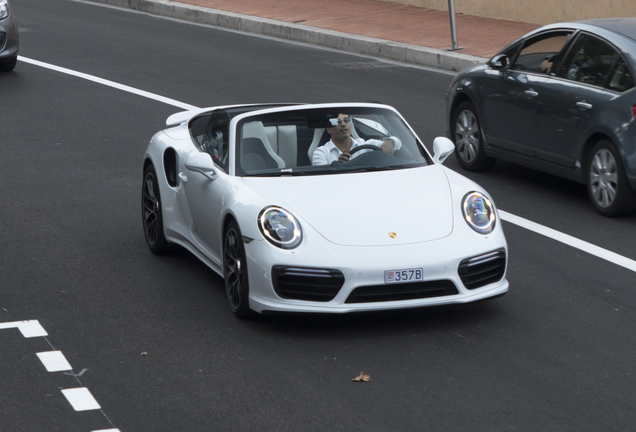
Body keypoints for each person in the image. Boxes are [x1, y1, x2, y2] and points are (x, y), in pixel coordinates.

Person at [311, 113, 402, 165]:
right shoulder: (321, 153)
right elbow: (322, 180)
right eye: (337, 121)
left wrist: (390, 141)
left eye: (346, 120)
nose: (343, 124)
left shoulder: (365, 145)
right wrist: (337, 166)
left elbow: (398, 143)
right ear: (329, 129)